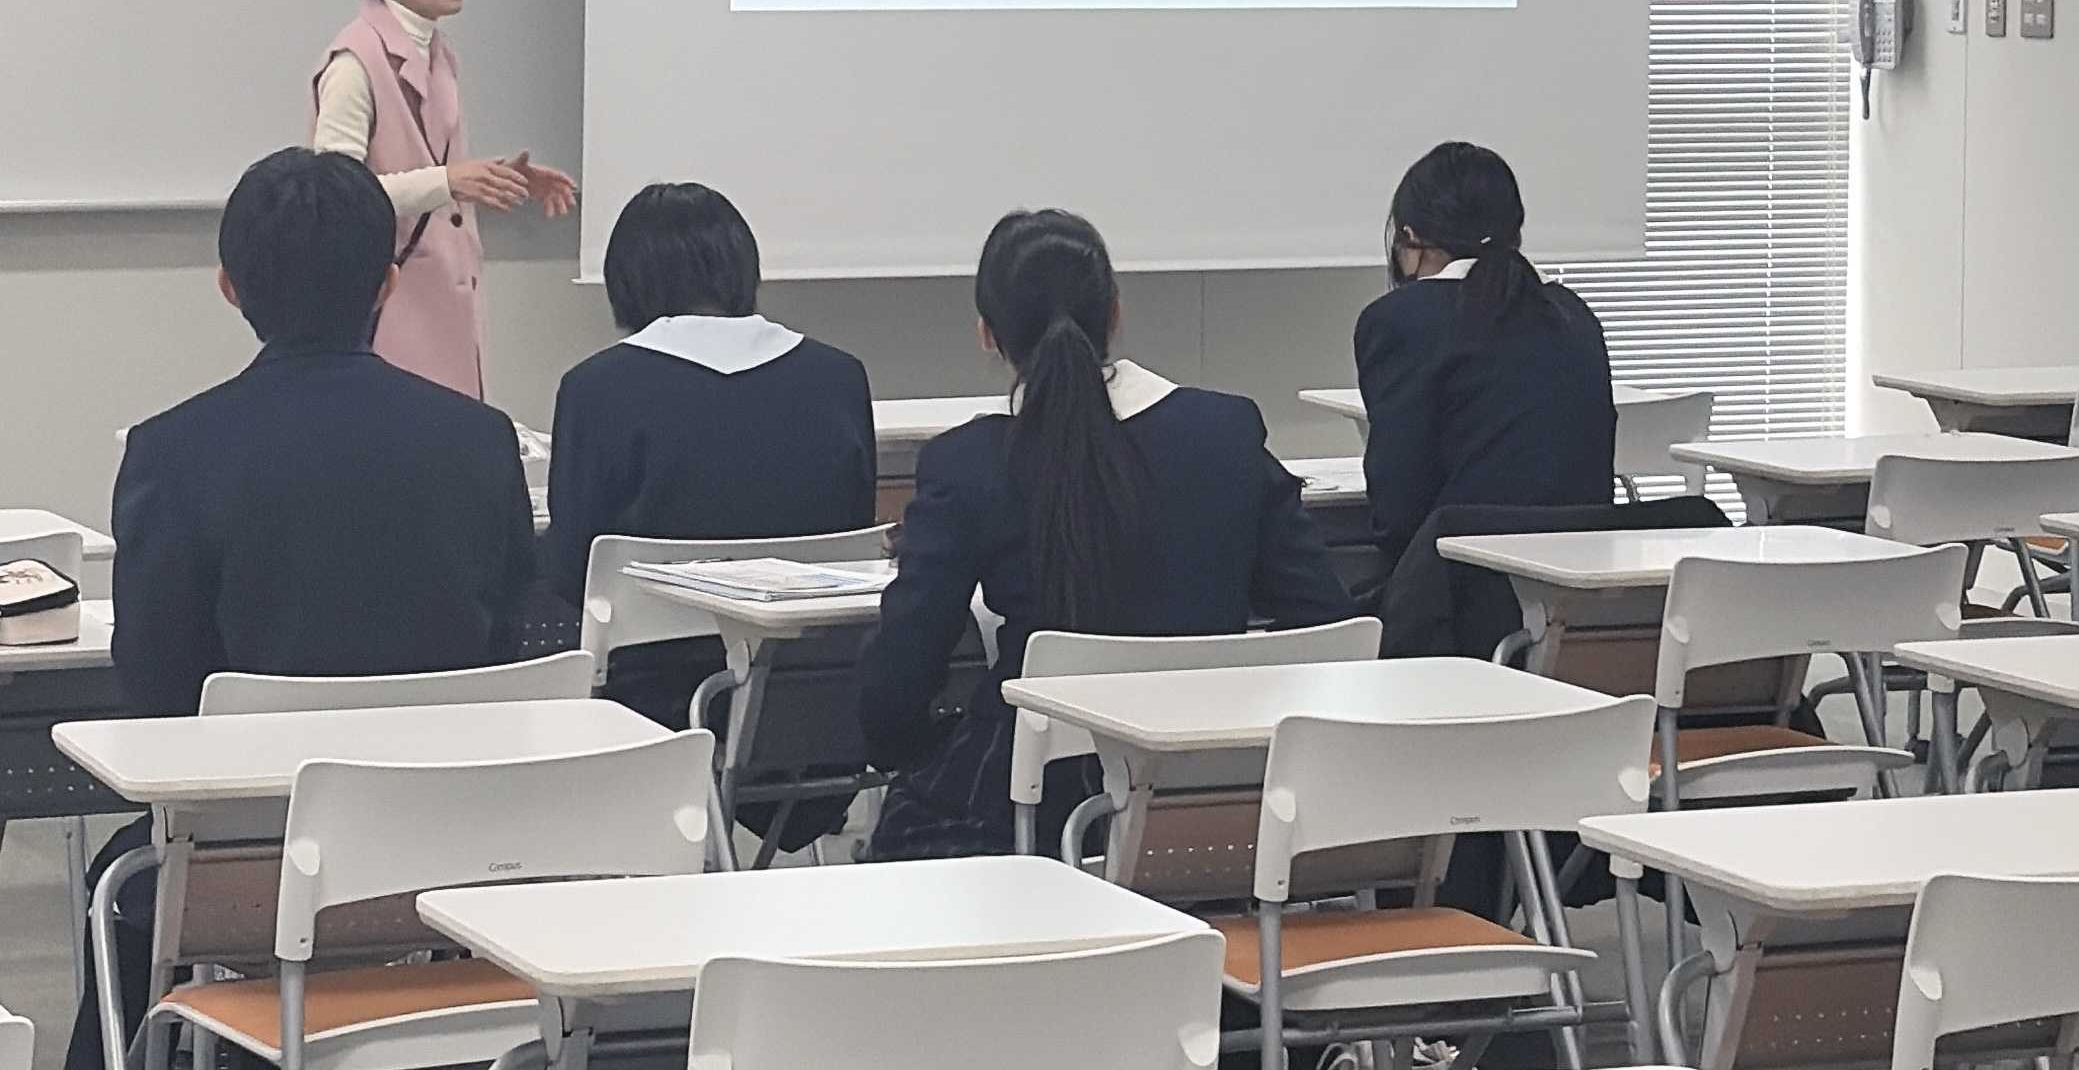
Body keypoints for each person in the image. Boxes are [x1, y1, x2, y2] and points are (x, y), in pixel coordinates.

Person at [62, 148, 538, 1070]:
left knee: (125, 872)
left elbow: (155, 696)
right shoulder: (479, 441)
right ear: (386, 282)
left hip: (239, 880)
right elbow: (509, 649)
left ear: (229, 286)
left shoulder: (172, 451)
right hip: (452, 866)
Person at [859, 208, 1350, 858]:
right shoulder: (1225, 433)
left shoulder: (968, 463)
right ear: (1115, 313)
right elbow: (1323, 621)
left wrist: (922, 745)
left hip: (1026, 813)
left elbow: (896, 687)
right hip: (1213, 812)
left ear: (986, 333)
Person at [543, 181, 876, 719]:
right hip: (810, 694)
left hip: (646, 704)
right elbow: (852, 534)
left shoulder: (596, 388)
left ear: (626, 280)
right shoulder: (838, 378)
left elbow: (571, 572)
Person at [311, 0, 576, 399]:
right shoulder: (354, 62)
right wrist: (449, 181)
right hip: (388, 315)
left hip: (441, 307)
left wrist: (494, 177)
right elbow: (335, 197)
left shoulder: (437, 52)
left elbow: (428, 166)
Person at [1356, 141, 1617, 570]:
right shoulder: (1573, 314)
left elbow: (1397, 513)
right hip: (1583, 582)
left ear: (1411, 238)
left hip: (1456, 586)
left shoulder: (1400, 320)